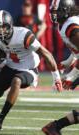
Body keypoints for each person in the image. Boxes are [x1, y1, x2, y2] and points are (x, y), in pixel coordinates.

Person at [42, 0, 79, 135]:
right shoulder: (66, 25)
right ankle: (55, 126)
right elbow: (77, 51)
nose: (55, 14)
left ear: (67, 10)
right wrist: (68, 62)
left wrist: (72, 76)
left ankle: (55, 126)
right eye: (53, 12)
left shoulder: (71, 26)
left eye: (58, 11)